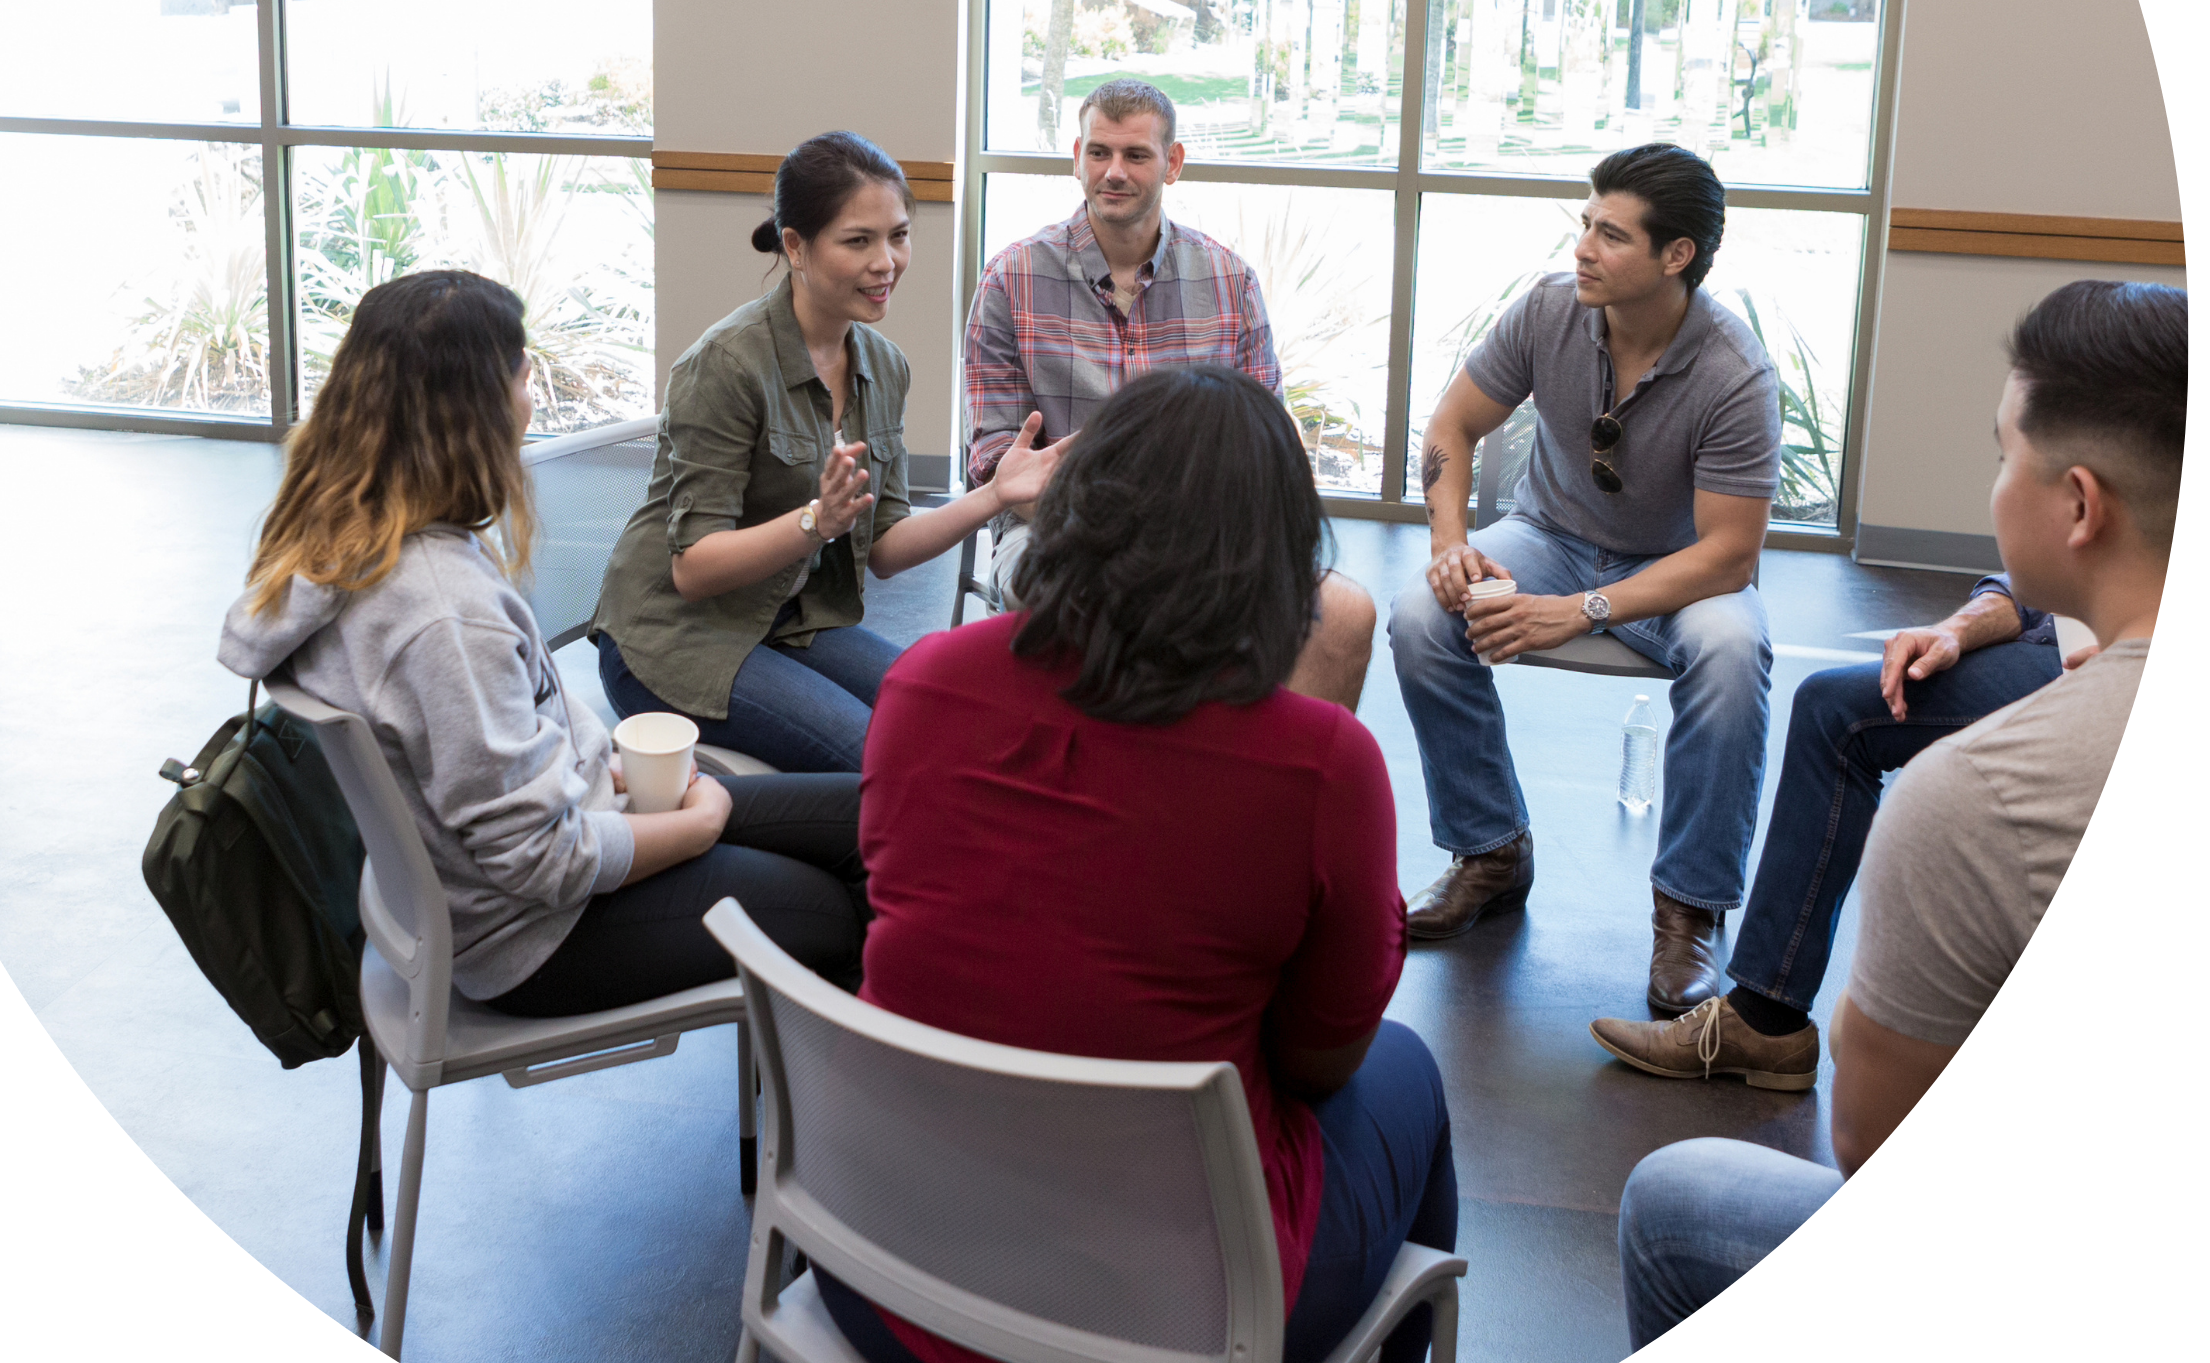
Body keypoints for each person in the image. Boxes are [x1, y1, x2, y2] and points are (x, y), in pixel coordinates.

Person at [827, 365, 1455, 1363]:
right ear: (1278, 561)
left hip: (883, 1279)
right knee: (1410, 1078)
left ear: (1074, 508)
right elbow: (1322, 1061)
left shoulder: (921, 683)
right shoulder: (1320, 762)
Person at [1615, 278, 2176, 1344]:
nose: (1995, 483)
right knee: (1844, 707)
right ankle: (1762, 1018)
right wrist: (1967, 624)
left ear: (2079, 505)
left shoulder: (1974, 800)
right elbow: (2022, 591)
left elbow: (1866, 1138)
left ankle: (1768, 1023)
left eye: (2003, 456)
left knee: (1673, 1200)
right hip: (2058, 654)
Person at [217, 269, 868, 1014]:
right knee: (837, 907)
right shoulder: (443, 614)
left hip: (545, 856)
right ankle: (867, 1075)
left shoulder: (345, 546)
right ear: (476, 411)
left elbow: (486, 763)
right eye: (524, 376)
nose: (532, 398)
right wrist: (698, 827)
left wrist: (607, 771)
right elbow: (542, 862)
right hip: (539, 934)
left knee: (874, 818)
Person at [1390, 141, 1781, 1017]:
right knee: (1420, 615)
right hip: (1548, 535)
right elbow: (1453, 422)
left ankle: (1689, 907)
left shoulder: (1735, 372)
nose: (1583, 249)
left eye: (1611, 235)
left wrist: (1581, 611)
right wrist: (1450, 543)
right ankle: (1490, 852)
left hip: (1680, 569)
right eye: (1585, 224)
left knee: (1732, 654)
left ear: (1676, 255)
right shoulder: (1548, 310)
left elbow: (1730, 555)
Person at [594, 131, 1073, 774]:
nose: (887, 262)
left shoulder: (884, 365)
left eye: (898, 236)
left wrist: (995, 495)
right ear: (795, 246)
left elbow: (886, 548)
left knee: (961, 720)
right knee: (887, 759)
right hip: (676, 637)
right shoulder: (726, 364)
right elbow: (694, 570)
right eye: (858, 241)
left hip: (790, 620)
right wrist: (815, 523)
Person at [963, 77, 1377, 711]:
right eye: (1099, 152)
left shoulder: (1229, 281)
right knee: (1090, 602)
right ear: (1077, 157)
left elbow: (1264, 439)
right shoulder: (1010, 279)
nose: (1114, 172)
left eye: (1136, 155)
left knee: (1343, 614)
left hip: (1203, 533)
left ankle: (1254, 768)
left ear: (1173, 163)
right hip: (1055, 527)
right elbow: (994, 459)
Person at [1588, 569, 2078, 1085]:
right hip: (2061, 644)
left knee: (1839, 721)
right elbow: (2033, 592)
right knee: (1830, 704)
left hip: (2107, 666)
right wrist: (1954, 630)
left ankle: (1764, 1014)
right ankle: (1766, 1020)